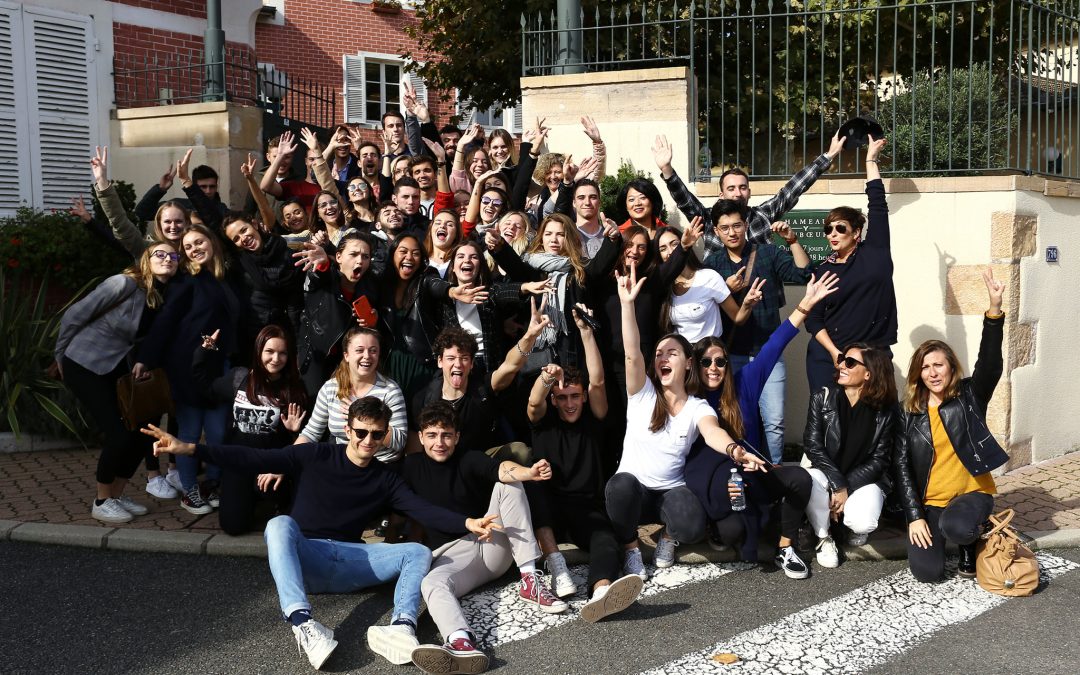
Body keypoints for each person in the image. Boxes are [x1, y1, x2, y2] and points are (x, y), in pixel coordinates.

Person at [141, 397, 499, 670]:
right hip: (307, 557)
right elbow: (251, 457)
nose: (368, 441)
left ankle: (401, 628)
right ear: (348, 427)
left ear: (385, 434)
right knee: (279, 524)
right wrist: (189, 448)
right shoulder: (314, 455)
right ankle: (303, 623)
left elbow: (422, 509)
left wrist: (468, 523)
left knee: (417, 552)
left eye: (376, 434)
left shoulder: (385, 478)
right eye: (361, 432)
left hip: (350, 560)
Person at [606, 264, 767, 578]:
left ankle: (669, 536)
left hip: (671, 492)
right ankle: (630, 549)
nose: (662, 358)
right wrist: (627, 306)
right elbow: (631, 353)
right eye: (659, 354)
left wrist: (736, 451)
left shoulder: (697, 407)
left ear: (688, 362)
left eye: (671, 353)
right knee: (618, 487)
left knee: (693, 524)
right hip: (636, 489)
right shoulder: (642, 393)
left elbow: (712, 432)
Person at [685, 273, 837, 572]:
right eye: (706, 362)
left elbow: (774, 345)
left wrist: (805, 305)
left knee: (799, 479)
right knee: (732, 532)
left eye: (720, 361)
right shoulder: (690, 398)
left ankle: (785, 546)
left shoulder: (744, 383)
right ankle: (735, 523)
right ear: (695, 365)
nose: (714, 368)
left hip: (756, 471)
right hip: (720, 481)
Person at [405, 403, 568, 675]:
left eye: (446, 435)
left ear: (456, 437)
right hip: (452, 554)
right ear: (421, 438)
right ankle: (460, 641)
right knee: (432, 582)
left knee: (510, 486)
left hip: (491, 539)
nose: (439, 442)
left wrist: (528, 473)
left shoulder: (468, 458)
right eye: (432, 435)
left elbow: (502, 468)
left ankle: (530, 578)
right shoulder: (410, 467)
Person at [526, 305, 647, 619]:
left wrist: (585, 332)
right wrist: (547, 378)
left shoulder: (594, 420)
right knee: (534, 485)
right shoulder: (544, 422)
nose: (569, 404)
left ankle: (602, 592)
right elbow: (533, 402)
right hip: (550, 508)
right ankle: (556, 565)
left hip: (585, 508)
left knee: (607, 542)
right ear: (555, 399)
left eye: (574, 396)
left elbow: (598, 381)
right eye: (562, 397)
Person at [895, 268, 1008, 583]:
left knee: (958, 526)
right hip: (931, 502)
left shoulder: (970, 395)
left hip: (972, 492)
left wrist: (994, 310)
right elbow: (901, 466)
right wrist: (914, 517)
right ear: (918, 373)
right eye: (925, 367)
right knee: (927, 573)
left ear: (951, 368)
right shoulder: (909, 412)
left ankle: (972, 537)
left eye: (938, 365)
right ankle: (948, 530)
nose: (932, 372)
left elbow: (990, 362)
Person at [55, 242, 180, 522]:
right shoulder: (124, 284)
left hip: (113, 368)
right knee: (119, 434)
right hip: (83, 362)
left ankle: (116, 495)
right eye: (159, 253)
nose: (167, 258)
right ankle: (101, 501)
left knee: (139, 434)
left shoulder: (162, 295)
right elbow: (75, 315)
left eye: (173, 256)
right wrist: (60, 355)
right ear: (146, 259)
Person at [135, 224, 243, 514]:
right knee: (190, 433)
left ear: (212, 241)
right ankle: (190, 489)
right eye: (188, 247)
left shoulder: (227, 277)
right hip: (187, 367)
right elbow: (165, 321)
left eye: (199, 242)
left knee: (219, 432)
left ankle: (212, 483)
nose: (195, 249)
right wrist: (145, 358)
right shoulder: (186, 282)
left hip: (219, 367)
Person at [704, 199, 815, 463]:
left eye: (737, 225)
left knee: (774, 421)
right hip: (731, 356)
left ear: (745, 226)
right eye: (725, 228)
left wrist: (792, 241)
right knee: (737, 418)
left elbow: (803, 274)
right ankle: (743, 470)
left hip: (768, 352)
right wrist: (726, 289)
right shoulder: (712, 265)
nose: (732, 232)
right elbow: (705, 308)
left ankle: (774, 472)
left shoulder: (767, 253)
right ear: (716, 232)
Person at [652, 132, 845, 258]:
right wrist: (667, 170)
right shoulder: (709, 219)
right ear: (721, 194)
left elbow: (792, 189)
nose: (737, 193)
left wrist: (827, 157)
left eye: (742, 188)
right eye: (731, 188)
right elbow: (685, 200)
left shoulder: (762, 215)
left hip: (763, 303)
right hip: (721, 302)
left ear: (749, 192)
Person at [192, 325, 307, 535]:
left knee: (275, 494)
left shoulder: (294, 388)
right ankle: (249, 497)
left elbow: (306, 442)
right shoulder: (239, 378)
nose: (275, 358)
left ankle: (277, 500)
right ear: (258, 352)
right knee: (233, 527)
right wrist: (203, 351)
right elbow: (205, 387)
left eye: (282, 353)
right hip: (239, 460)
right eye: (269, 352)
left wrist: (293, 432)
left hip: (271, 463)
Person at [803, 135, 896, 390]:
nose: (832, 233)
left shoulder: (874, 252)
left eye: (840, 228)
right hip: (829, 357)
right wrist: (835, 354)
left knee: (873, 423)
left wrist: (870, 160)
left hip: (872, 356)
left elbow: (877, 204)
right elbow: (814, 321)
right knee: (828, 424)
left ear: (856, 232)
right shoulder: (824, 270)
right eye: (828, 229)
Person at [801, 341, 899, 572]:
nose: (842, 365)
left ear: (868, 373)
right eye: (843, 359)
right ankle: (824, 537)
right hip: (825, 472)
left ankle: (849, 526)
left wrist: (846, 489)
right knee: (811, 481)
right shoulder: (823, 398)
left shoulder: (885, 411)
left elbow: (879, 460)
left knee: (862, 521)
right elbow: (813, 446)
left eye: (851, 362)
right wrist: (839, 485)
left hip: (864, 479)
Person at [412, 297, 550, 457]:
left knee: (521, 452)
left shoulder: (482, 388)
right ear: (440, 361)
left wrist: (530, 336)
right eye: (451, 358)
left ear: (471, 364)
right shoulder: (423, 400)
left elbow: (510, 366)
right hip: (442, 464)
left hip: (482, 463)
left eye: (464, 358)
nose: (458, 364)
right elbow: (416, 448)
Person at [487, 213, 619, 371]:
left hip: (571, 350)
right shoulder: (530, 266)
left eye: (560, 234)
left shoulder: (581, 269)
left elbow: (600, 265)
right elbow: (515, 266)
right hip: (536, 352)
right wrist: (499, 245)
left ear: (569, 237)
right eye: (548, 234)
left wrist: (613, 238)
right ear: (541, 237)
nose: (553, 240)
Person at [377, 233, 488, 401]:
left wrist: (451, 291)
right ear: (392, 254)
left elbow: (436, 285)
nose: (409, 257)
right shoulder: (382, 285)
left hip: (420, 362)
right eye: (403, 251)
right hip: (388, 361)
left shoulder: (426, 278)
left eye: (415, 253)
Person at [296, 327, 408, 464]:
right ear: (346, 355)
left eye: (373, 351)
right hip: (342, 464)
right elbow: (311, 433)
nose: (367, 356)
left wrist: (363, 419)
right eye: (359, 350)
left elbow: (401, 441)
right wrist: (285, 462)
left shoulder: (390, 390)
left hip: (380, 465)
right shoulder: (330, 388)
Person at [656, 225, 760, 344]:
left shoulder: (709, 277)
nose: (670, 251)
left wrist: (747, 305)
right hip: (682, 356)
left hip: (709, 355)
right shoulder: (663, 287)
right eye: (663, 249)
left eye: (674, 244)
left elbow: (738, 318)